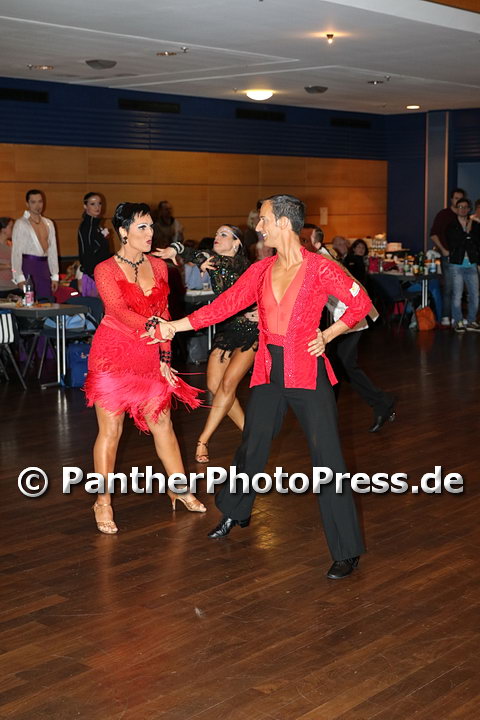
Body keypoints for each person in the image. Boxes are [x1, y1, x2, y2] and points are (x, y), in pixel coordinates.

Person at [149, 195, 372, 580]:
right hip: (270, 369)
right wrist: (174, 327)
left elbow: (360, 303)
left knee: (328, 460)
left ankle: (346, 549)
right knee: (252, 444)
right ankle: (235, 510)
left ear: (284, 223)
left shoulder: (320, 267)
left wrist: (328, 334)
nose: (258, 226)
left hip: (307, 372)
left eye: (264, 219)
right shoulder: (262, 269)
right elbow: (222, 307)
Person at [84, 202, 205, 534]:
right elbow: (117, 310)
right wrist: (156, 327)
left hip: (149, 355)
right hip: (113, 356)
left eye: (151, 226)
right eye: (142, 227)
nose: (150, 233)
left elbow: (164, 313)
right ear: (124, 232)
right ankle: (102, 502)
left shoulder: (160, 266)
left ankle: (179, 489)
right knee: (111, 430)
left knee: (162, 423)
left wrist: (165, 359)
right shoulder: (105, 269)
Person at [308, 231, 396, 433]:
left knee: (343, 366)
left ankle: (379, 402)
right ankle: (381, 402)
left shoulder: (324, 260)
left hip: (350, 319)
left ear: (318, 243)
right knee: (340, 366)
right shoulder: (319, 258)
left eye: (306, 240)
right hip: (344, 320)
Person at [191, 225, 258, 463]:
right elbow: (195, 253)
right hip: (228, 330)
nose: (217, 237)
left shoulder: (243, 265)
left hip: (251, 330)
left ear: (237, 243)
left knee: (228, 384)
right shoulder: (214, 262)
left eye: (224, 234)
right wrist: (186, 254)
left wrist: (261, 311)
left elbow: (265, 291)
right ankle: (252, 435)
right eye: (217, 233)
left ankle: (203, 440)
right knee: (214, 385)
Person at [11, 189, 59, 300]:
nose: (37, 205)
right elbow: (16, 253)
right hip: (28, 267)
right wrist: (19, 277)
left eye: (40, 201)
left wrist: (55, 276)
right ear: (27, 204)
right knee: (31, 303)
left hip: (45, 269)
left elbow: (53, 250)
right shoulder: (21, 224)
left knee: (46, 301)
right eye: (33, 202)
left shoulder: (49, 223)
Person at [430, 187, 466, 326]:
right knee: (449, 287)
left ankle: (455, 317)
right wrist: (443, 250)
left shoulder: (465, 215)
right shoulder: (444, 214)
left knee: (460, 288)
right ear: (451, 199)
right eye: (456, 198)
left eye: (460, 199)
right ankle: (445, 316)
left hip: (463, 257)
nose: (458, 201)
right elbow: (434, 234)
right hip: (448, 256)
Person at [445, 198, 480, 334]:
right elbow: (453, 243)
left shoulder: (475, 225)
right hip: (456, 264)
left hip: (471, 263)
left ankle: (471, 321)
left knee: (475, 294)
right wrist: (467, 234)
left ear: (469, 209)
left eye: (465, 207)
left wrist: (468, 235)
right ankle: (458, 321)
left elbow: (477, 242)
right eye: (460, 207)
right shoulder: (451, 225)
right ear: (456, 209)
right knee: (457, 295)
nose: (463, 209)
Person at [77, 192, 111, 297]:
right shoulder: (86, 227)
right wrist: (94, 275)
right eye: (92, 204)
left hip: (103, 274)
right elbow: (85, 253)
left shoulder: (97, 226)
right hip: (93, 276)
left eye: (99, 203)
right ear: (85, 206)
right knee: (96, 305)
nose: (97, 207)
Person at [0, 217, 19, 297]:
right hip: (2, 288)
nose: (13, 229)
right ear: (3, 229)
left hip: (15, 286)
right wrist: (8, 266)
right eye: (11, 227)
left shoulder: (13, 245)